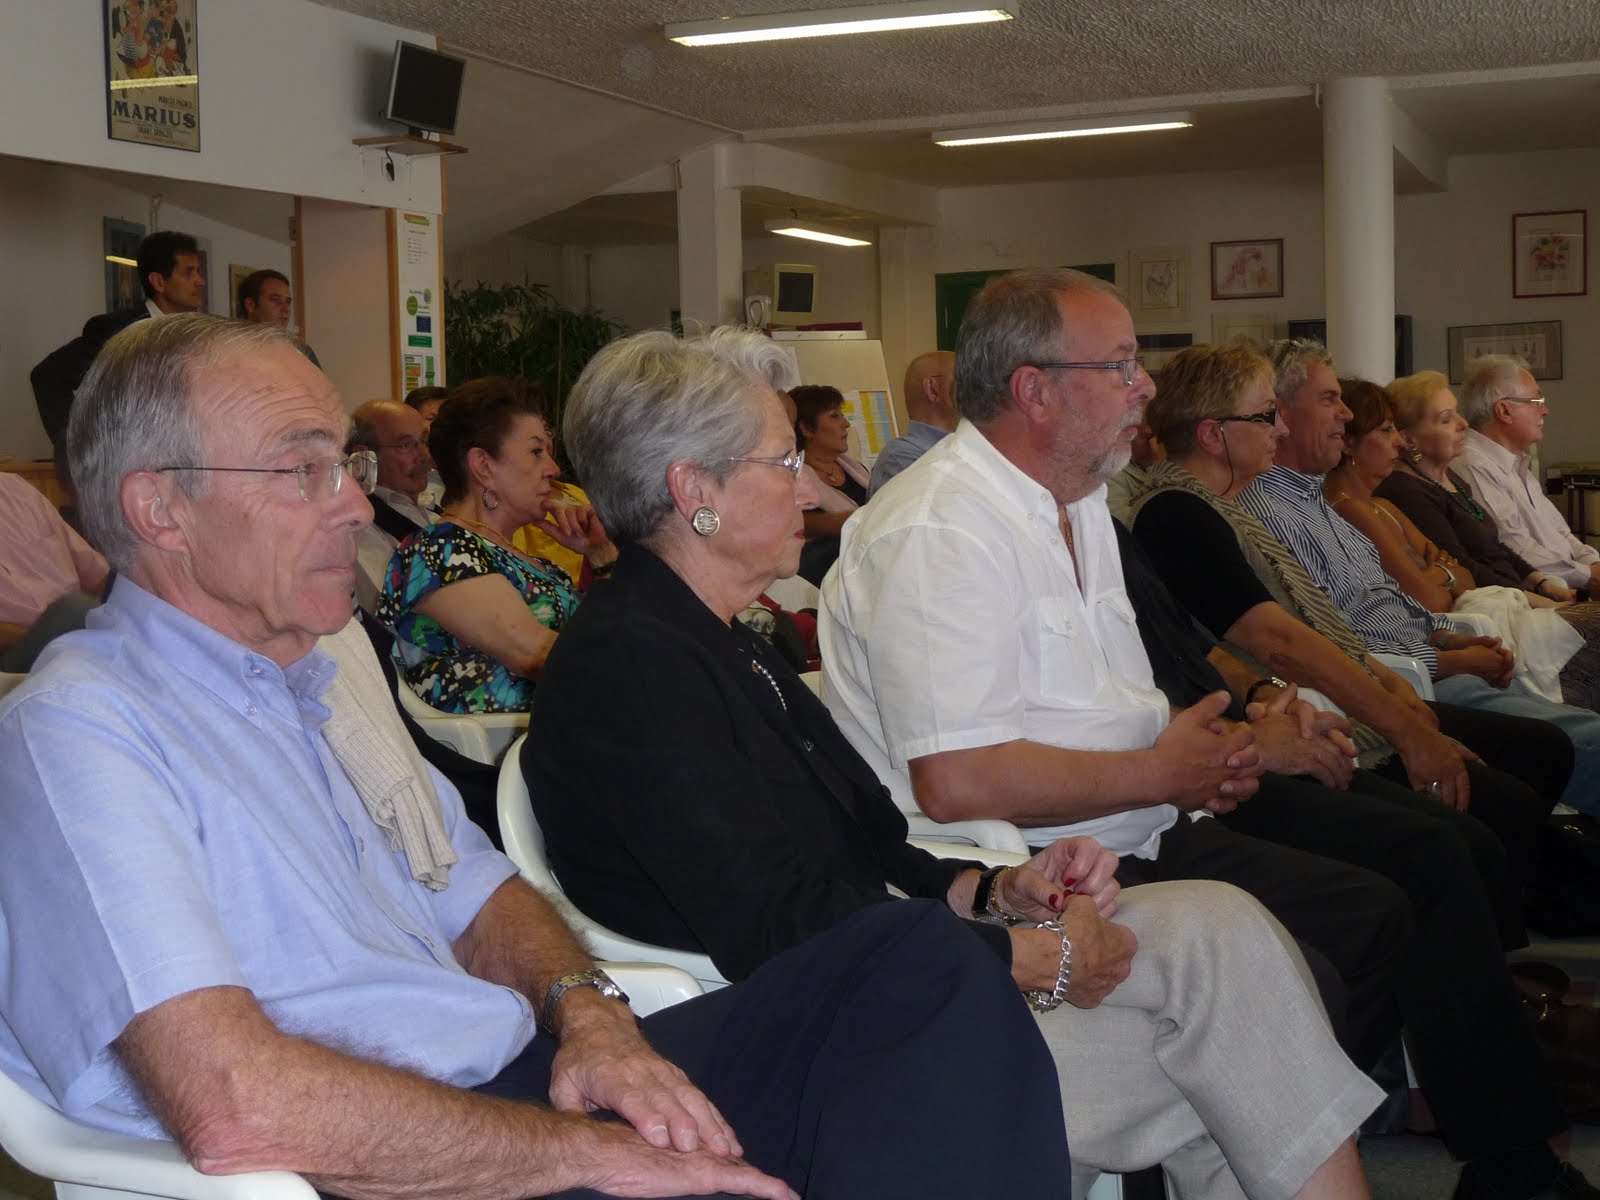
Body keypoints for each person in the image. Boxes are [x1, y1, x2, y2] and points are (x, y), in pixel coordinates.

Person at [0, 312, 1072, 1200]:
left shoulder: (313, 686)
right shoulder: (82, 734)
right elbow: (235, 1104)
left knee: (911, 965)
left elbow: (480, 891)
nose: (354, 504)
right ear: (160, 509)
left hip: (518, 1080)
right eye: (302, 469)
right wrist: (583, 1153)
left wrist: (591, 1017)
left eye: (347, 465)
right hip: (403, 1158)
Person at [526, 324, 1380, 1200]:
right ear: (693, 490)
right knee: (1227, 1049)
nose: (810, 488)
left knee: (1219, 935)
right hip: (822, 1051)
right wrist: (1024, 956)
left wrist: (1001, 890)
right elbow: (772, 921)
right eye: (784, 462)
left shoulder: (725, 643)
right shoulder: (634, 663)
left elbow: (875, 850)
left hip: (887, 981)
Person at [819, 269, 1597, 1200]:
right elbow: (957, 782)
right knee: (1341, 938)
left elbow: (1121, 697)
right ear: (1033, 389)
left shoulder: (1075, 505)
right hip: (1033, 870)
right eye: (1119, 366)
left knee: (1387, 901)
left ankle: (1287, 1148)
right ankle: (1250, 1141)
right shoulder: (937, 531)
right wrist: (1165, 770)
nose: (1145, 387)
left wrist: (1218, 747)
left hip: (1136, 823)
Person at [1233, 340, 1600, 811]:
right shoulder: (1274, 511)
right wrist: (1450, 654)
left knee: (1566, 728)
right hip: (1407, 686)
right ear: (1281, 414)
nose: (1345, 415)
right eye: (1329, 399)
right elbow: (1338, 639)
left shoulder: (1319, 501)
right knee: (1570, 741)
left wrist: (1448, 636)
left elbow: (1412, 591)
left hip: (1432, 657)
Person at [1328, 377, 1600, 713]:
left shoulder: (1385, 505)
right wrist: (1444, 572)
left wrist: (1541, 583)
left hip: (1473, 620)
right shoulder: (1370, 502)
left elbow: (1479, 561)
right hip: (1464, 626)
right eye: (1386, 430)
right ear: (1349, 444)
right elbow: (1437, 594)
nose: (1396, 441)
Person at [376, 376, 616, 713]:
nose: (553, 468)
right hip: (506, 744)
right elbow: (541, 656)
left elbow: (609, 636)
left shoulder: (530, 562)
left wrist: (601, 556)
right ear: (483, 466)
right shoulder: (438, 551)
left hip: (571, 730)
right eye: (536, 452)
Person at [31, 229, 206, 457]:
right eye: (188, 273)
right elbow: (48, 376)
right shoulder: (117, 330)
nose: (200, 281)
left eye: (198, 272)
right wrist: (74, 448)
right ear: (158, 282)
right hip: (129, 459)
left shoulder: (198, 334)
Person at [1453, 355, 1600, 593]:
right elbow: (1513, 547)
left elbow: (1561, 534)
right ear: (1504, 410)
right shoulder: (1472, 464)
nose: (1545, 411)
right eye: (1536, 401)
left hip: (1572, 585)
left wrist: (1593, 564)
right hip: (1541, 594)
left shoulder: (1517, 463)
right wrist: (1588, 576)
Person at [0, 472, 109, 671]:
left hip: (77, 628)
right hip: (11, 656)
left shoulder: (16, 489)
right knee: (75, 610)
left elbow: (97, 572)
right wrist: (45, 633)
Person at [348, 399, 436, 614]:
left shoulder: (435, 510)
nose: (423, 456)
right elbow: (395, 611)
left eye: (423, 441)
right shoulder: (360, 527)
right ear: (364, 457)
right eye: (406, 445)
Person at [793, 384, 868, 583]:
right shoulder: (793, 479)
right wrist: (840, 522)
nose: (846, 424)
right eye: (835, 416)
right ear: (806, 428)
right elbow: (796, 525)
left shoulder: (855, 469)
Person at [867, 350, 957, 497]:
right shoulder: (900, 457)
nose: (976, 390)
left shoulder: (960, 443)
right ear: (932, 389)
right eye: (964, 381)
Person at [237, 267, 320, 366]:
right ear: (250, 305)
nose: (286, 308)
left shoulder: (301, 351)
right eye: (275, 300)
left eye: (288, 302)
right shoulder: (233, 350)